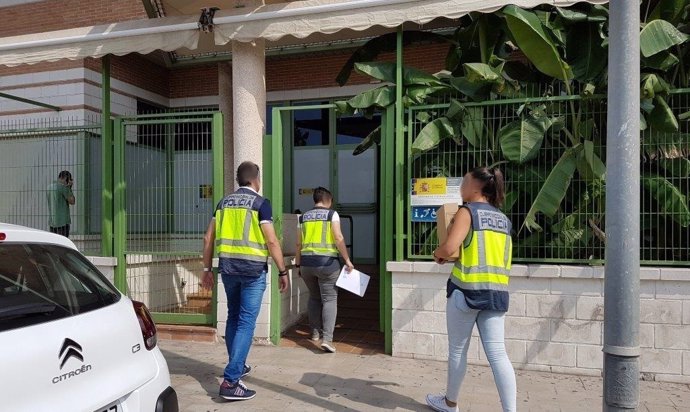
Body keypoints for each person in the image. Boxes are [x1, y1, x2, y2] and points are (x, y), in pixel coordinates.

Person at [426, 167, 516, 412]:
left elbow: (450, 246)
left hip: (464, 292)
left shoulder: (467, 212)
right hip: (496, 294)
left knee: (457, 350)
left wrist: (438, 254)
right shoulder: (503, 219)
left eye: (464, 182)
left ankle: (450, 404)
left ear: (476, 187)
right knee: (499, 354)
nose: (461, 187)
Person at [201, 161, 289, 402]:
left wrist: (207, 268)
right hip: (252, 272)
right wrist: (283, 271)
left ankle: (237, 365)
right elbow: (271, 241)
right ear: (256, 179)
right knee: (246, 322)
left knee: (233, 317)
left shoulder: (223, 203)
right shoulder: (261, 203)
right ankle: (230, 380)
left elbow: (208, 237)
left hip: (228, 270)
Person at [295, 187, 353, 353]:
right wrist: (347, 260)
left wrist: (298, 265)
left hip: (306, 264)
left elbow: (298, 243)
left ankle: (314, 333)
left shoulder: (303, 217)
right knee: (329, 299)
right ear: (329, 200)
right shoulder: (331, 214)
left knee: (314, 298)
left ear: (315, 200)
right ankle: (327, 339)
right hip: (327, 264)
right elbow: (338, 237)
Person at [46, 170, 75, 238]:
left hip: (52, 221)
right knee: (63, 243)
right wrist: (69, 188)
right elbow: (72, 201)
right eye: (68, 180)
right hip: (63, 222)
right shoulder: (63, 188)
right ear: (65, 178)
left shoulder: (49, 187)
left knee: (55, 243)